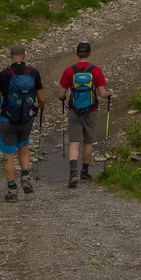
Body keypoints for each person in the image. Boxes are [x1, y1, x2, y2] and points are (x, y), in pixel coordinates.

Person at [0, 44, 45, 203]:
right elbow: (41, 98)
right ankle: (25, 176)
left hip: (8, 119)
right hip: (26, 119)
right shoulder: (33, 73)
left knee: (8, 154)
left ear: (10, 55)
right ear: (24, 55)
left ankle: (12, 190)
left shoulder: (3, 75)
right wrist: (41, 108)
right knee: (24, 146)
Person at [59, 41, 112, 188]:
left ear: (77, 53)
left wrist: (64, 98)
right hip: (91, 111)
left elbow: (61, 94)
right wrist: (110, 93)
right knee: (88, 141)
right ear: (89, 53)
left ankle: (72, 173)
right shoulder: (95, 71)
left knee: (74, 142)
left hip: (74, 111)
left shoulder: (69, 71)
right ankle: (85, 172)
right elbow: (101, 94)